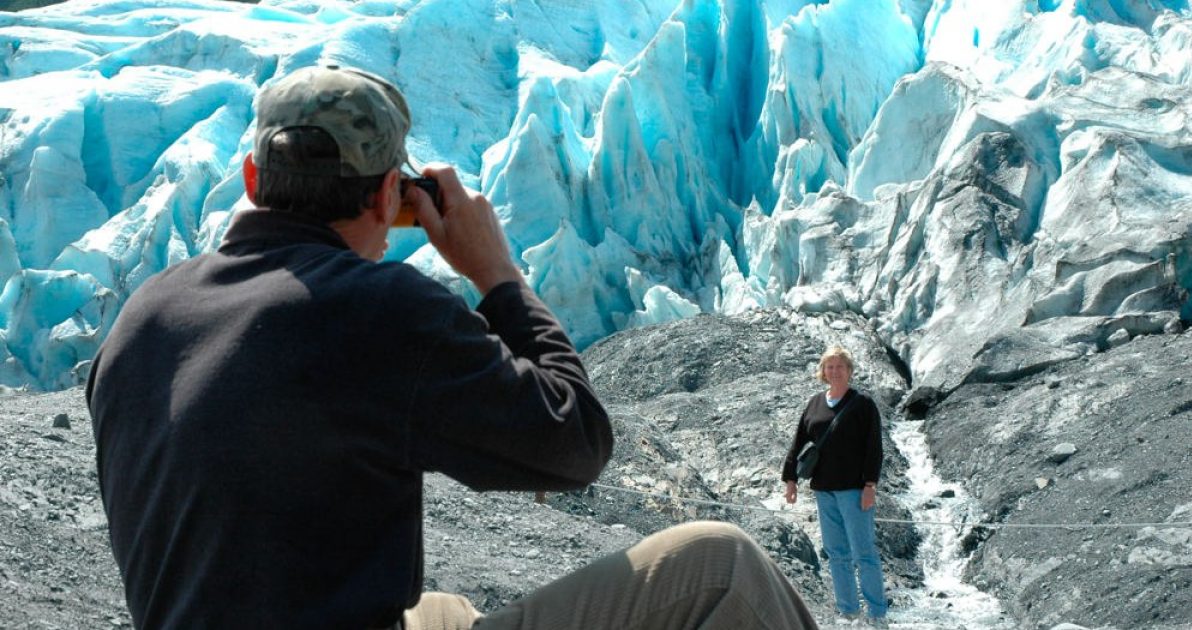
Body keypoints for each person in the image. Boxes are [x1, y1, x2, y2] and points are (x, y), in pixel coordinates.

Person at [87, 64, 818, 630]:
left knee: (440, 609)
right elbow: (576, 441)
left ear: (252, 179)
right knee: (722, 566)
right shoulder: (376, 309)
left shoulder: (142, 316)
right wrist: (495, 273)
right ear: (387, 198)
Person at [781, 346, 888, 628]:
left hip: (854, 490)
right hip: (824, 490)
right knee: (836, 553)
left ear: (850, 371)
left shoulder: (863, 403)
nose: (834, 371)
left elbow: (873, 447)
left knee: (864, 552)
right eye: (829, 366)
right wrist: (790, 479)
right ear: (823, 371)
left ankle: (877, 615)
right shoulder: (815, 403)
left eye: (840, 366)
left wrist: (870, 485)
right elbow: (798, 441)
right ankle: (848, 612)